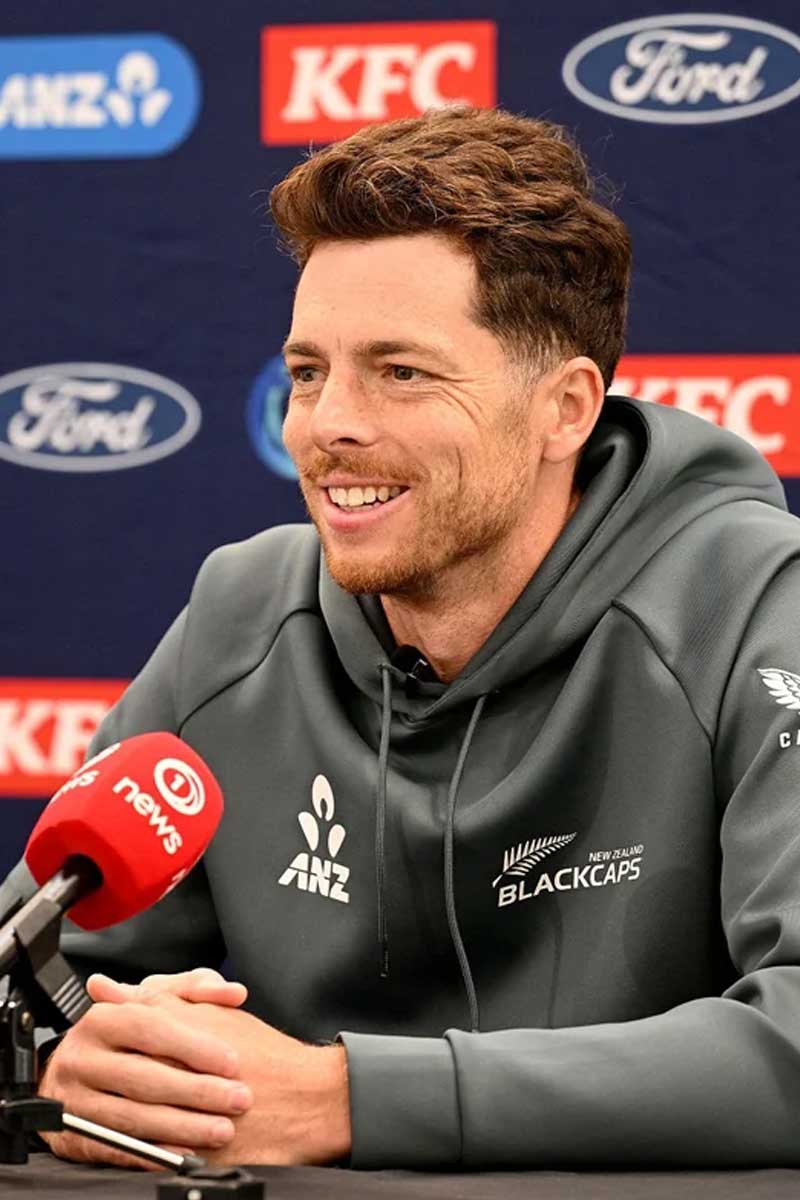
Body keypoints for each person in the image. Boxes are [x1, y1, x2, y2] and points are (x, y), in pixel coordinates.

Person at [32, 105, 800, 1170]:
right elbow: (45, 982)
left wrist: (349, 1101)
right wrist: (68, 1060)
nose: (326, 425)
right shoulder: (242, 614)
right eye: (309, 372)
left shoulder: (754, 604)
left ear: (565, 409)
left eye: (400, 372)